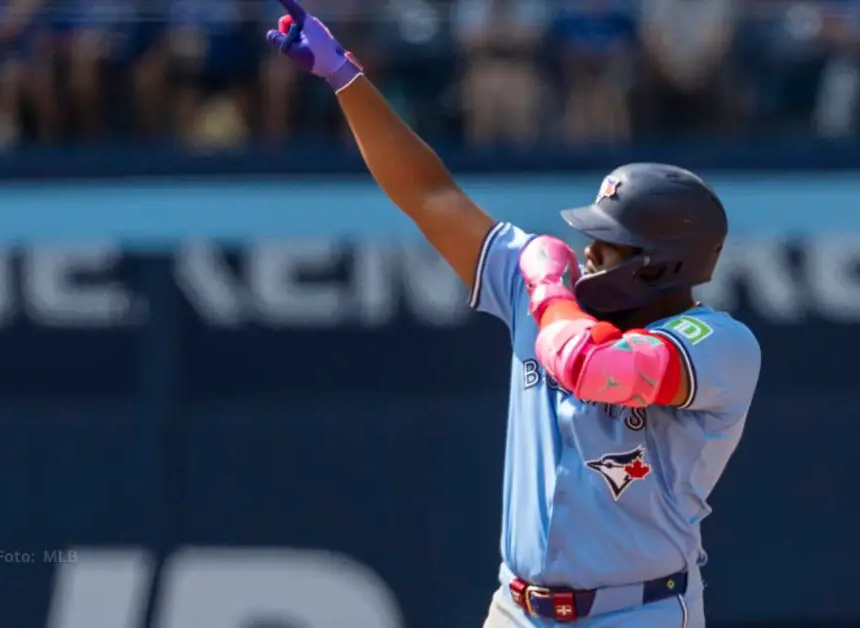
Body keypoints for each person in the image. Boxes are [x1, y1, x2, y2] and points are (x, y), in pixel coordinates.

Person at [264, 2, 762, 625]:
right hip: (517, 609)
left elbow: (591, 366)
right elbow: (430, 194)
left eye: (606, 245)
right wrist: (345, 77)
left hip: (637, 611)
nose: (586, 252)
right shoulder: (555, 285)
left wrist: (548, 288)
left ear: (659, 266)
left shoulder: (718, 345)